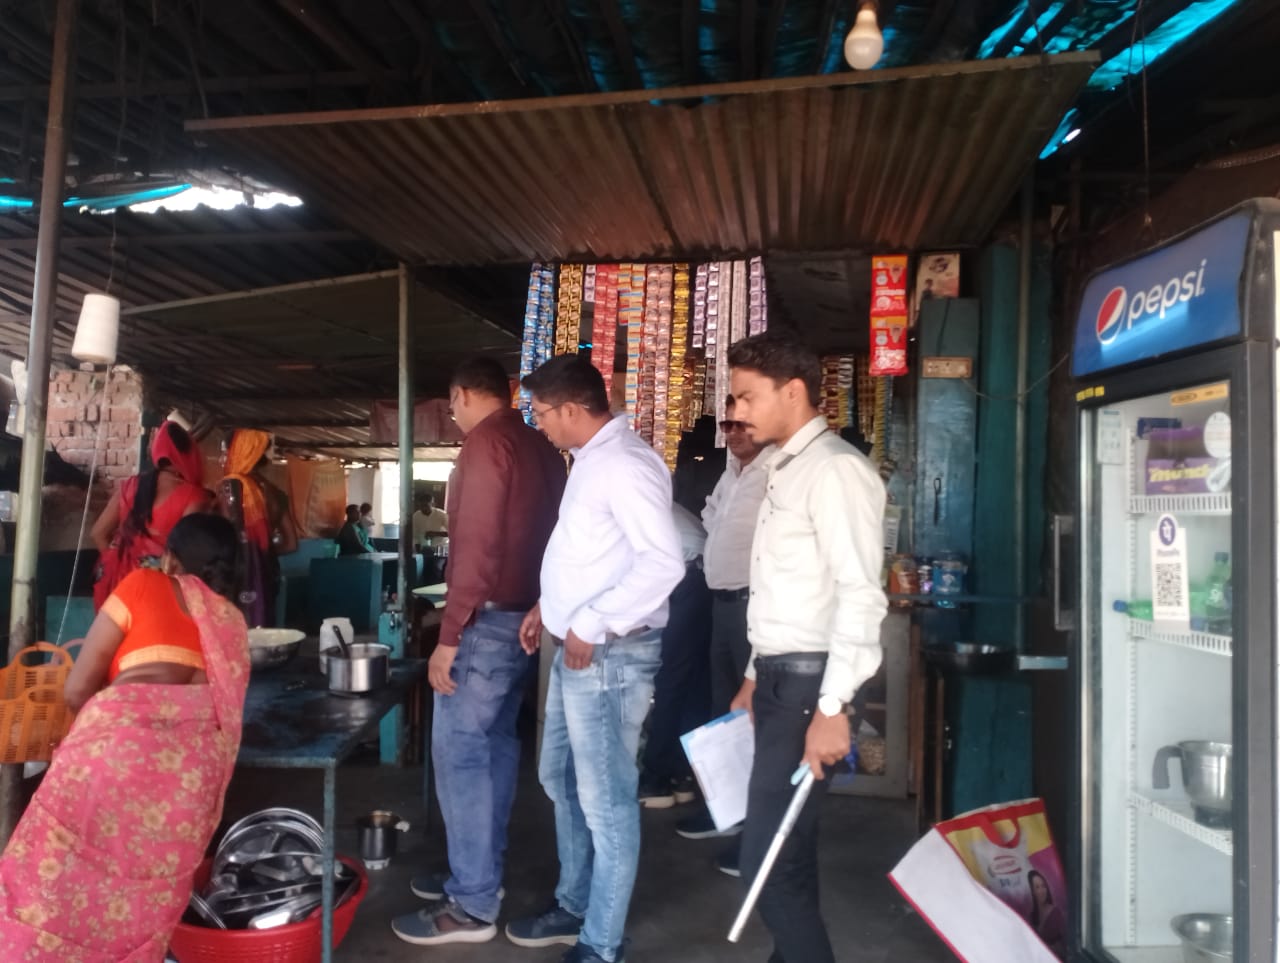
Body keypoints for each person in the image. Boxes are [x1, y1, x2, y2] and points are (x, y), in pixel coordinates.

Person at [0, 513, 249, 960]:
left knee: (46, 894)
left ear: (170, 560)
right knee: (137, 909)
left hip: (112, 761)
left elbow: (77, 689)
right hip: (187, 788)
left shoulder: (144, 583)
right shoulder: (230, 622)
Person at [506, 354, 684, 963]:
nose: (539, 425)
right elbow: (594, 554)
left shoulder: (626, 465)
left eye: (541, 413)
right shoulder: (590, 461)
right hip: (579, 649)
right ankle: (575, 902)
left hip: (608, 656)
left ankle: (601, 943)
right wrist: (548, 605)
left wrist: (589, 621)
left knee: (607, 802)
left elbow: (663, 562)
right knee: (559, 778)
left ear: (572, 409)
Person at [392, 356, 566, 947]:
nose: (454, 413)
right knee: (494, 749)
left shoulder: (486, 444)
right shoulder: (542, 446)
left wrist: (448, 637)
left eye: (452, 404)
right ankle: (476, 872)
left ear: (463, 395)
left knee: (461, 756)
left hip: (485, 623)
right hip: (524, 620)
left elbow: (476, 546)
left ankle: (470, 902)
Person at [726, 330, 888, 963]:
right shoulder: (786, 467)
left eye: (747, 397)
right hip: (778, 679)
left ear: (792, 391)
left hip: (808, 688)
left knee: (766, 865)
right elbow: (785, 591)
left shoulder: (836, 471)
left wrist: (834, 706)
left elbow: (860, 594)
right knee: (785, 852)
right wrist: (751, 675)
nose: (737, 410)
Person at [675, 395, 774, 872]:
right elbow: (712, 514)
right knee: (726, 716)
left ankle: (758, 835)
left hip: (755, 607)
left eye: (741, 425)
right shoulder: (732, 472)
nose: (732, 433)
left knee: (755, 718)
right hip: (723, 604)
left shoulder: (775, 471)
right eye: (727, 425)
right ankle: (728, 812)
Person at [637, 502, 711, 809]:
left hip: (687, 580)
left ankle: (655, 780)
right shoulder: (656, 501)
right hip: (700, 578)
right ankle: (681, 776)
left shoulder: (629, 503)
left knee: (670, 680)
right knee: (691, 683)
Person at [90, 420, 210, 609]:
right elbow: (187, 553)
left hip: (116, 590)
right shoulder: (194, 496)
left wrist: (119, 562)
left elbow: (98, 533)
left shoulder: (129, 486)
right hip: (157, 594)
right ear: (191, 456)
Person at [218, 429, 298, 627]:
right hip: (267, 575)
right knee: (263, 632)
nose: (222, 459)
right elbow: (291, 544)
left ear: (240, 452)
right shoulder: (276, 493)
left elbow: (223, 539)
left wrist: (247, 554)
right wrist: (260, 555)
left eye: (226, 452)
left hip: (233, 577)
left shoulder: (229, 487)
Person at [1028, 870, 1066, 956]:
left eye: (1043, 886)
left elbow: (1064, 947)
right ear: (1032, 891)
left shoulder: (1055, 913)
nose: (1042, 890)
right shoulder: (1031, 916)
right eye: (1037, 887)